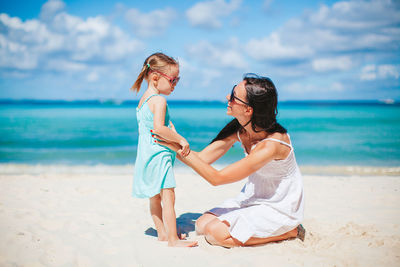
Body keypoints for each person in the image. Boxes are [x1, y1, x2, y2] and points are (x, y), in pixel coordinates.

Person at [153, 73, 305, 248]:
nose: (227, 97)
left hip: (279, 207)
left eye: (234, 96)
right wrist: (173, 141)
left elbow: (218, 178)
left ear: (249, 110)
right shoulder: (240, 129)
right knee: (202, 225)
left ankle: (290, 231)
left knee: (215, 234)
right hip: (253, 198)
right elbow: (202, 159)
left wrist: (175, 145)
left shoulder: (271, 145)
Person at [131, 52, 197, 247]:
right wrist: (180, 139)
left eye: (178, 79)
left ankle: (162, 232)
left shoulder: (144, 99)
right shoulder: (159, 100)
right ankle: (172, 239)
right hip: (159, 155)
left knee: (155, 196)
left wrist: (171, 129)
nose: (175, 84)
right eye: (173, 79)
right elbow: (159, 128)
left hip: (146, 155)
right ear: (155, 77)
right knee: (168, 196)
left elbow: (156, 124)